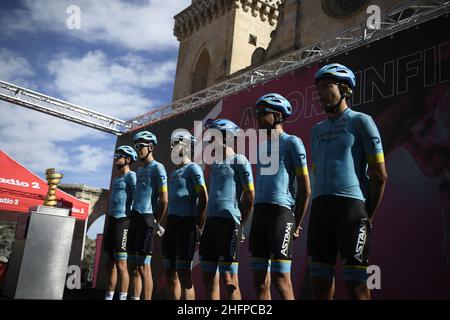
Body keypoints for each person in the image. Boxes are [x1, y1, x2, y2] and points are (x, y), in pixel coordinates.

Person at [308, 63, 388, 300]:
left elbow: (380, 175)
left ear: (344, 89)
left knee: (356, 286)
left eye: (326, 87)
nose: (320, 93)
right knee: (319, 285)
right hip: (320, 210)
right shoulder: (316, 130)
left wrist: (367, 214)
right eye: (318, 89)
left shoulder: (361, 120)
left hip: (351, 210)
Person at [249, 93, 311, 300]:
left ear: (277, 115)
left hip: (281, 213)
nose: (257, 118)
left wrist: (297, 223)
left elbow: (305, 188)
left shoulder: (292, 142)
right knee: (259, 282)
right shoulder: (261, 147)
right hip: (260, 214)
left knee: (281, 281)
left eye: (261, 113)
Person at [199, 118, 255, 300]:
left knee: (230, 281)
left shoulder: (240, 160)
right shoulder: (214, 163)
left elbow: (250, 197)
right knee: (208, 279)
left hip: (229, 222)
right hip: (211, 224)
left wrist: (241, 223)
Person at [162, 130, 208, 300]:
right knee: (170, 273)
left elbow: (203, 198)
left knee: (184, 275)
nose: (173, 147)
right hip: (172, 226)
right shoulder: (174, 172)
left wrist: (198, 226)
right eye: (172, 144)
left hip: (186, 225)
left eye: (176, 143)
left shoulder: (193, 168)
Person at [128, 130, 168, 300]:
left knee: (145, 267)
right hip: (135, 219)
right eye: (135, 146)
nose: (137, 149)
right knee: (134, 267)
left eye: (141, 146)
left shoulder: (158, 167)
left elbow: (164, 199)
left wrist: (155, 222)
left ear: (151, 147)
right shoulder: (139, 170)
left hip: (147, 219)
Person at [103, 145, 137, 300]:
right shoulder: (116, 178)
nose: (115, 158)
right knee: (109, 264)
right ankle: (109, 296)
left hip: (124, 222)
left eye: (119, 156)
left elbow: (139, 199)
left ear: (128, 159)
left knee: (121, 265)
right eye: (115, 155)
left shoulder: (131, 176)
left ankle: (122, 297)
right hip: (111, 222)